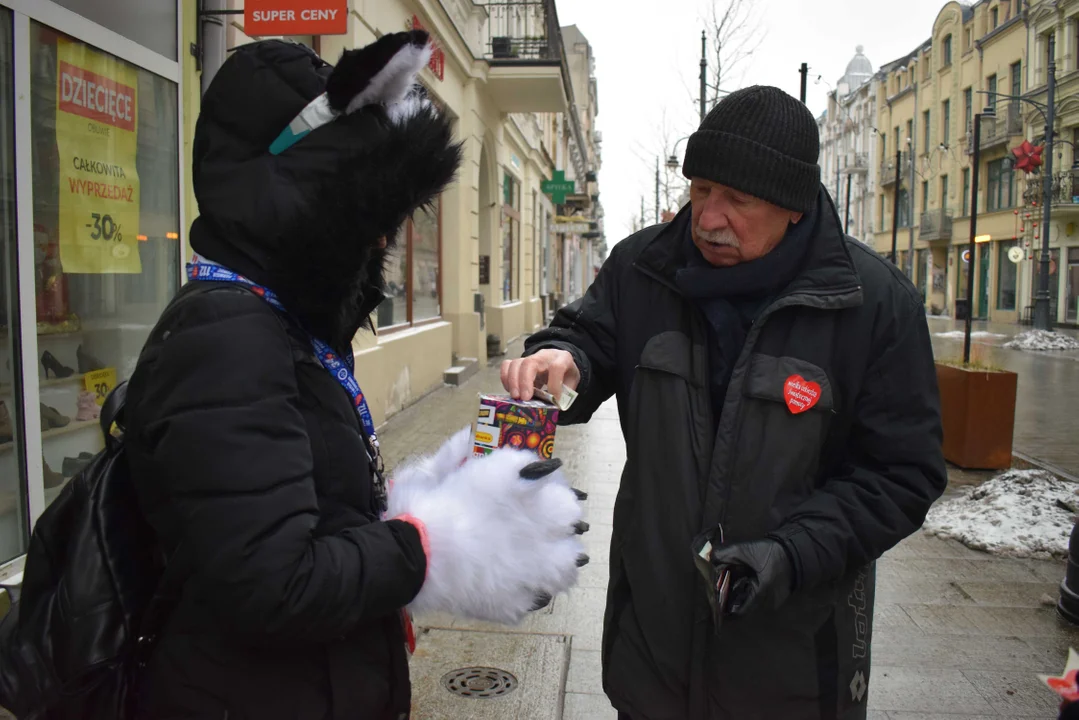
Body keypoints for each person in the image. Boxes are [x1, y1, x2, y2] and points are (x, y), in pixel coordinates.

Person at [124, 33, 585, 719]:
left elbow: (309, 510)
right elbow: (274, 584)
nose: (381, 239)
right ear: (298, 198)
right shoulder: (227, 338)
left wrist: (444, 483)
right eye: (364, 210)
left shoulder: (276, 323)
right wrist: (434, 542)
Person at [501, 86, 947, 720]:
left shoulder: (873, 304)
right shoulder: (642, 269)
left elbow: (902, 474)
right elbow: (587, 339)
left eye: (738, 199)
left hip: (793, 664)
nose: (709, 217)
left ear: (793, 207)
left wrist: (792, 553)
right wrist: (560, 359)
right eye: (701, 188)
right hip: (651, 653)